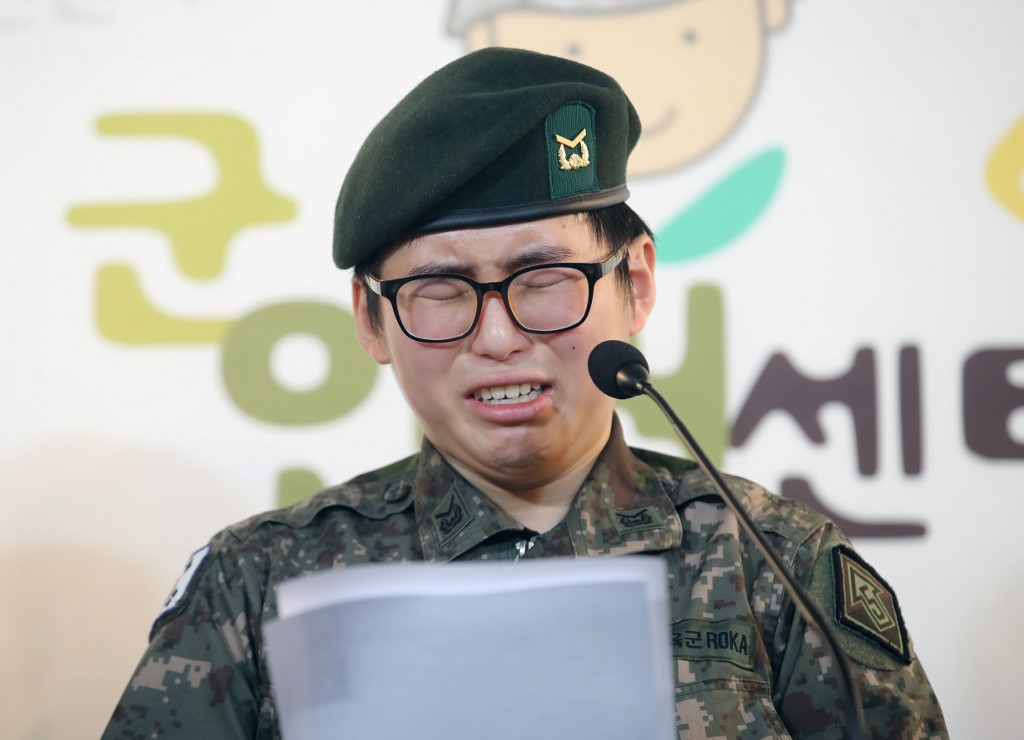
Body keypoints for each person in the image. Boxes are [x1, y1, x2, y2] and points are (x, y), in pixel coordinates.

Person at [101, 48, 947, 739]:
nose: (499, 336)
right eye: (441, 288)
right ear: (370, 319)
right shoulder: (258, 584)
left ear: (637, 282)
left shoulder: (777, 565)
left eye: (542, 278)